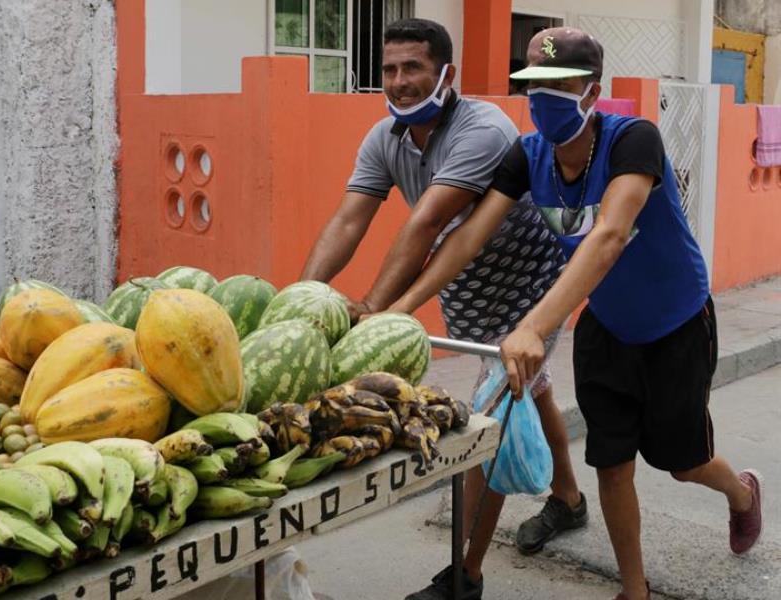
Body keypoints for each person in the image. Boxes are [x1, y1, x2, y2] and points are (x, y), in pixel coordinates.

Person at [387, 27, 764, 600]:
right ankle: (633, 591)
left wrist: (533, 326)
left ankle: (740, 493)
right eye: (536, 85)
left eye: (560, 85)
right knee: (612, 466)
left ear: (592, 91)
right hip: (607, 329)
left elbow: (610, 235)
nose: (545, 99)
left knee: (683, 463)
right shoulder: (528, 155)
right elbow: (465, 238)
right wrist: (397, 309)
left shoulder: (632, 140)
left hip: (676, 325)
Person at [300, 18, 587, 599]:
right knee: (533, 390)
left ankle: (466, 574)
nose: (400, 82)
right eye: (390, 69)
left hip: (526, 284)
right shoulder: (384, 138)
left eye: (414, 68)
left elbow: (427, 220)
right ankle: (569, 498)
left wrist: (382, 309)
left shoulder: (481, 127)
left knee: (495, 410)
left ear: (446, 73)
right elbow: (350, 217)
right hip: (460, 283)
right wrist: (301, 298)